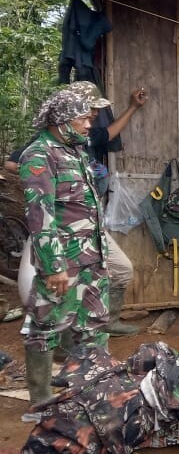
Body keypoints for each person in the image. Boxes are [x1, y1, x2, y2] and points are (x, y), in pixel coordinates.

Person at [6, 83, 149, 335]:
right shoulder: (44, 150)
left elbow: (109, 134)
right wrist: (47, 178)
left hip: (91, 232)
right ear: (67, 115)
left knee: (116, 275)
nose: (92, 119)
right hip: (62, 236)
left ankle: (100, 331)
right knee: (54, 304)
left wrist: (132, 108)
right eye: (88, 113)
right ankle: (58, 350)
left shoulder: (81, 142)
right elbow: (40, 212)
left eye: (93, 114)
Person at [19, 89, 109, 405]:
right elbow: (40, 214)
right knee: (45, 325)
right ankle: (41, 399)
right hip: (63, 261)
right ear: (62, 118)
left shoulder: (75, 153)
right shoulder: (39, 155)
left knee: (94, 323)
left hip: (91, 257)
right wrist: (53, 266)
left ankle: (92, 388)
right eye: (84, 118)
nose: (89, 126)